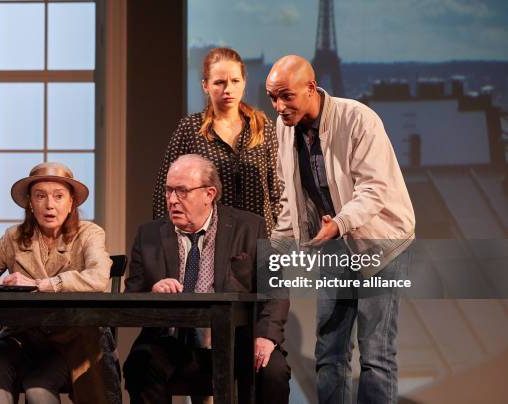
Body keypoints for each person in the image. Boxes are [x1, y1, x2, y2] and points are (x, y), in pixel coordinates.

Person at [266, 55, 415, 404]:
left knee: (376, 355)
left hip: (380, 243)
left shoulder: (358, 119)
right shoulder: (283, 126)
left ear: (310, 88)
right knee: (329, 352)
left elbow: (374, 190)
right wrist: (277, 248)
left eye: (286, 96)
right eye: (272, 97)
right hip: (333, 244)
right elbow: (292, 196)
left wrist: (340, 224)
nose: (278, 105)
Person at [124, 154, 290, 404]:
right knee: (139, 365)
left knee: (272, 371)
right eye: (168, 191)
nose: (172, 200)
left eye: (182, 191)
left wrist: (266, 336)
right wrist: (152, 291)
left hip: (236, 341)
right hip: (172, 342)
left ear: (209, 194)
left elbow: (275, 287)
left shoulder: (249, 227)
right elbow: (130, 299)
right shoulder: (148, 235)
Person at [0, 162, 121, 404]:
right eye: (40, 196)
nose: (49, 205)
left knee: (38, 388)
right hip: (24, 334)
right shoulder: (13, 237)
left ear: (71, 202)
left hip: (73, 338)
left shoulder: (89, 233)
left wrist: (41, 284)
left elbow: (98, 278)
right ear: (30, 203)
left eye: (58, 196)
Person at [153, 47, 281, 236]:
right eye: (219, 82)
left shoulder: (263, 128)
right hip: (208, 242)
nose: (228, 89)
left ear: (244, 82)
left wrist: (278, 245)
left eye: (235, 81)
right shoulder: (190, 129)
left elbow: (278, 192)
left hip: (259, 240)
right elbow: (165, 191)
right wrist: (168, 245)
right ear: (205, 85)